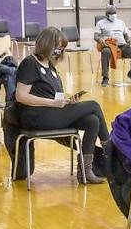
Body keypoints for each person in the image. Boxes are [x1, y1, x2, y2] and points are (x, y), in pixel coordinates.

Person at [15, 26, 109, 184]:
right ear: (46, 44)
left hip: (52, 112)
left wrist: (67, 100)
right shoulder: (30, 63)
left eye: (61, 49)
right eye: (57, 47)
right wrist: (53, 102)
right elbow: (20, 96)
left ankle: (86, 171)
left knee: (92, 121)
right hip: (36, 116)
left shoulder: (51, 67)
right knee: (93, 105)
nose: (59, 51)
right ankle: (110, 149)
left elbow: (53, 95)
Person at [94, 5, 131, 87]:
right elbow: (96, 36)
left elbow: (125, 35)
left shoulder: (121, 22)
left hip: (122, 46)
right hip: (109, 46)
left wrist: (128, 40)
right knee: (105, 52)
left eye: (114, 13)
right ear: (107, 14)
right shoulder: (100, 23)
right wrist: (100, 40)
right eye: (111, 13)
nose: (113, 15)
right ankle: (105, 77)